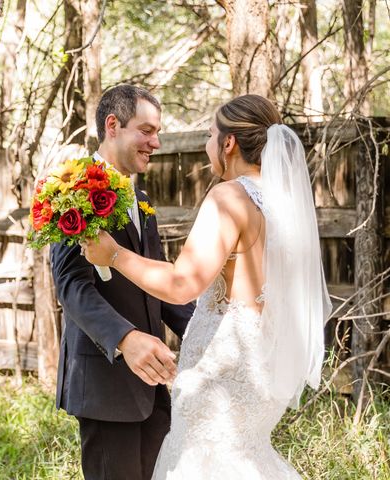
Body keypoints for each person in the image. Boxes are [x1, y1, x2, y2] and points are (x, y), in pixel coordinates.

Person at [84, 94, 332, 479]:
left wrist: (113, 254)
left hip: (223, 376)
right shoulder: (283, 206)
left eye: (211, 134)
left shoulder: (228, 197)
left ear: (228, 143)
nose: (207, 144)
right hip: (259, 367)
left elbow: (183, 284)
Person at [51, 84, 195, 480]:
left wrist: (205, 332)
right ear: (112, 125)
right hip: (105, 384)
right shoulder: (73, 190)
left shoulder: (139, 195)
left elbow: (155, 279)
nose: (156, 141)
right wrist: (125, 339)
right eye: (146, 130)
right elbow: (71, 284)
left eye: (157, 131)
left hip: (152, 385)